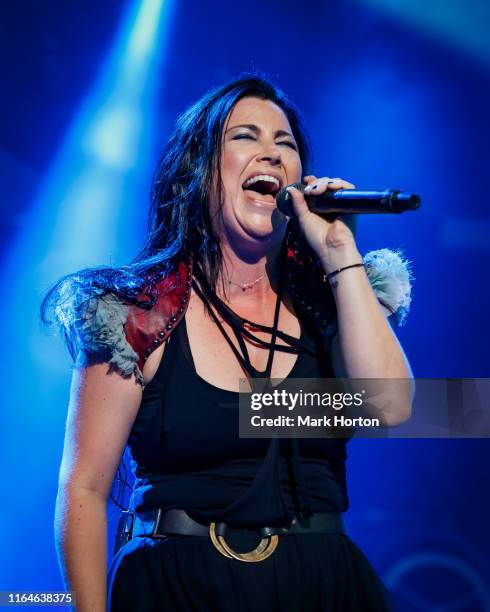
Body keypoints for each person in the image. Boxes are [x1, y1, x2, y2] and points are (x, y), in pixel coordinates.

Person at [44, 73, 414, 611]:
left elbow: (391, 407)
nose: (271, 154)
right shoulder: (140, 316)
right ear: (195, 172)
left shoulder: (327, 303)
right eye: (246, 137)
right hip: (178, 586)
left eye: (285, 144)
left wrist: (339, 253)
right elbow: (84, 490)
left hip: (322, 587)